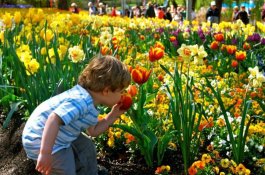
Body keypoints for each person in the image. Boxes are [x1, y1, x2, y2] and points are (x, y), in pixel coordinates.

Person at [22, 55, 131, 175]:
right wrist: (45, 153)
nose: (122, 95)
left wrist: (112, 115)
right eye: (121, 91)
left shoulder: (91, 102)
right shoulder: (81, 101)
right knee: (65, 170)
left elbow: (93, 131)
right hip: (40, 139)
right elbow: (53, 119)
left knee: (86, 146)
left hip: (58, 134)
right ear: (106, 91)